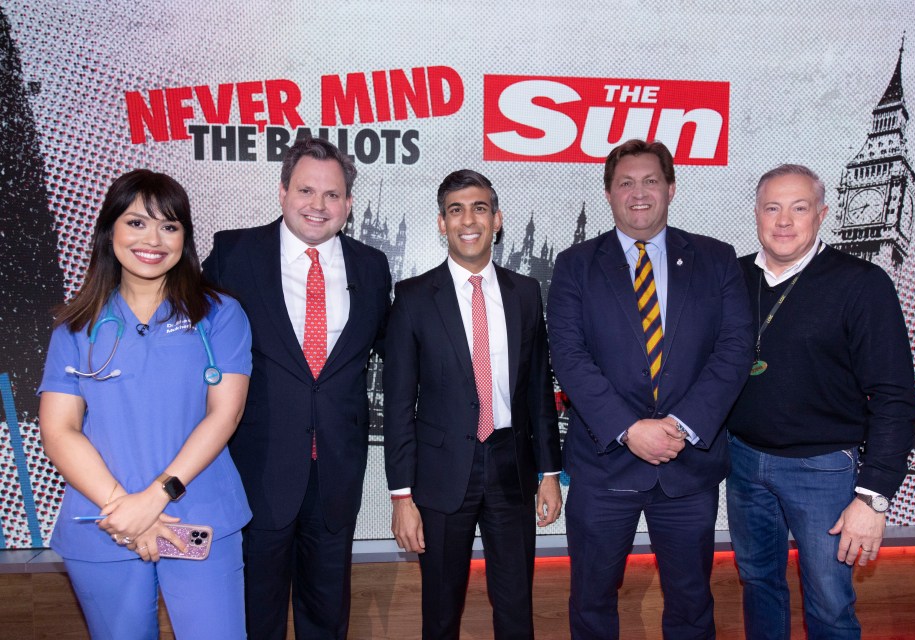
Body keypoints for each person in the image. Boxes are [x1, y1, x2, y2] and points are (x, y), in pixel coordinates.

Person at [548, 139, 753, 639]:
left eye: (650, 181)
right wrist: (627, 429)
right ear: (608, 193)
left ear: (671, 188)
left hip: (687, 467)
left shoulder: (716, 258)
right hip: (603, 469)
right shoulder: (576, 264)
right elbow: (569, 356)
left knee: (690, 600)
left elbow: (734, 350)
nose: (638, 193)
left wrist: (680, 427)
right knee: (592, 600)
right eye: (625, 183)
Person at [38, 169, 253, 639]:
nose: (153, 238)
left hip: (197, 518)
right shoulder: (75, 328)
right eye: (136, 222)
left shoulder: (219, 315)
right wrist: (124, 509)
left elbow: (225, 414)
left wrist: (155, 498)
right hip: (103, 521)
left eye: (169, 226)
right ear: (109, 230)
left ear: (184, 238)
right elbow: (59, 430)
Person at [202, 137, 391, 639]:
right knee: (254, 612)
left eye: (332, 195)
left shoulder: (372, 267)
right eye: (306, 190)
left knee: (326, 614)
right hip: (257, 467)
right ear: (283, 191)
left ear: (348, 204)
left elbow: (393, 355)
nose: (318, 205)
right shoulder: (233, 253)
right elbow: (188, 342)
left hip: (337, 469)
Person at [725, 164, 915, 638]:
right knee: (758, 585)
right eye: (772, 208)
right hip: (743, 463)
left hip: (823, 471)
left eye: (799, 208)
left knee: (830, 603)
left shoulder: (862, 284)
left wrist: (872, 498)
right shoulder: (732, 278)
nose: (784, 221)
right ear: (756, 214)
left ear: (823, 214)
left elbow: (895, 397)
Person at [384, 169, 562, 639]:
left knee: (516, 606)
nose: (469, 219)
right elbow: (399, 404)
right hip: (441, 476)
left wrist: (549, 473)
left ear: (497, 219)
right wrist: (401, 497)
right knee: (440, 611)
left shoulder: (525, 293)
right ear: (441, 223)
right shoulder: (414, 297)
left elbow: (539, 391)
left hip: (512, 467)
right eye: (456, 210)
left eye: (480, 208)